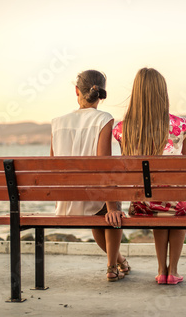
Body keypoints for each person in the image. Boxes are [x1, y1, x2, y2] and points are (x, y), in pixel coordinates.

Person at [113, 67, 186, 285]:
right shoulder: (181, 125)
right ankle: (173, 271)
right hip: (176, 204)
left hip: (143, 203)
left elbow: (127, 166)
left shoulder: (122, 129)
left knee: (157, 201)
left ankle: (161, 270)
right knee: (178, 203)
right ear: (163, 93)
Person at [50, 70, 130, 282]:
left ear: (77, 90)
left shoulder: (57, 122)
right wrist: (113, 206)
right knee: (111, 211)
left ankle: (121, 261)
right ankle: (112, 267)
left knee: (101, 210)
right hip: (92, 199)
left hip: (66, 202)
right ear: (102, 93)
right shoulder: (104, 119)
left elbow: (52, 167)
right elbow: (104, 165)